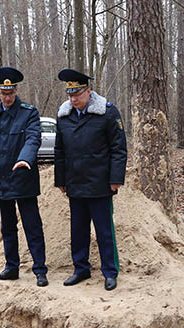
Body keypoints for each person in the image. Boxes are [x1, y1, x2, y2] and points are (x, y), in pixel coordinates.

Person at [54, 68, 127, 291]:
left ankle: (110, 272)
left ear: (89, 90)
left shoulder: (107, 112)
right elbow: (60, 151)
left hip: (100, 182)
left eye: (78, 94)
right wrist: (61, 180)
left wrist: (116, 179)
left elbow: (119, 148)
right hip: (75, 182)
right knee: (78, 230)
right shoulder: (64, 116)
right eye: (70, 95)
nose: (74, 99)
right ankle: (81, 268)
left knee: (104, 231)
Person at [0, 67, 48, 287]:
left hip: (24, 177)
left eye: (11, 93)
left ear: (16, 90)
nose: (8, 97)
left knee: (32, 225)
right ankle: (11, 267)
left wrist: (25, 159)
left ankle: (40, 269)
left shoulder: (29, 113)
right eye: (4, 93)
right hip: (1, 179)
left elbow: (33, 139)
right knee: (7, 227)